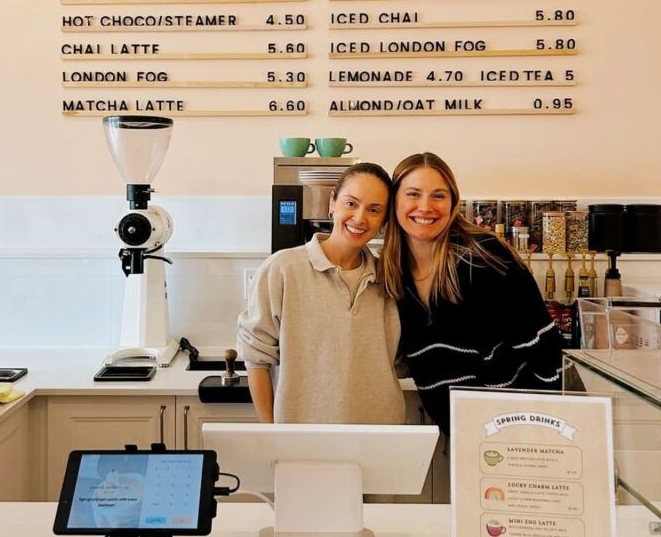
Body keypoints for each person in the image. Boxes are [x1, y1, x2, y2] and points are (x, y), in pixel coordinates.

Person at [380, 152, 562, 435]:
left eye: (439, 196)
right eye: (413, 194)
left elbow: (542, 346)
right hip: (459, 432)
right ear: (394, 202)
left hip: (517, 429)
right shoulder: (392, 271)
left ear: (453, 202)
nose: (425, 207)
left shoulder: (484, 255)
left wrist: (547, 429)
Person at [237, 163, 406, 424]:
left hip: (381, 435)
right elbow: (256, 359)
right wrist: (272, 435)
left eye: (374, 210)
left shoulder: (390, 279)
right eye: (351, 203)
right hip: (301, 437)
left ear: (384, 221)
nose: (360, 218)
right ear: (332, 203)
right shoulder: (282, 269)